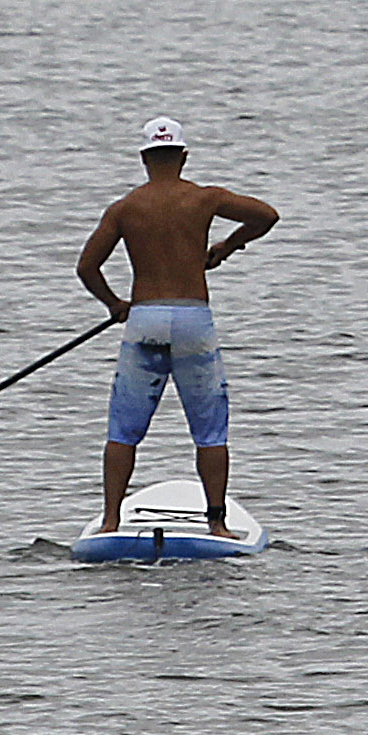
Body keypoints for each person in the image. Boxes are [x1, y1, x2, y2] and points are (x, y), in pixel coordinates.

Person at [78, 115, 280, 533]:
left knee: (123, 429)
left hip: (145, 319)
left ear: (144, 159)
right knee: (210, 430)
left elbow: (87, 267)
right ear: (183, 157)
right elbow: (266, 215)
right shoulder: (205, 198)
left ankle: (111, 522)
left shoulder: (125, 208)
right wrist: (227, 245)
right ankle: (218, 526)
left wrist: (115, 303)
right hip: (193, 319)